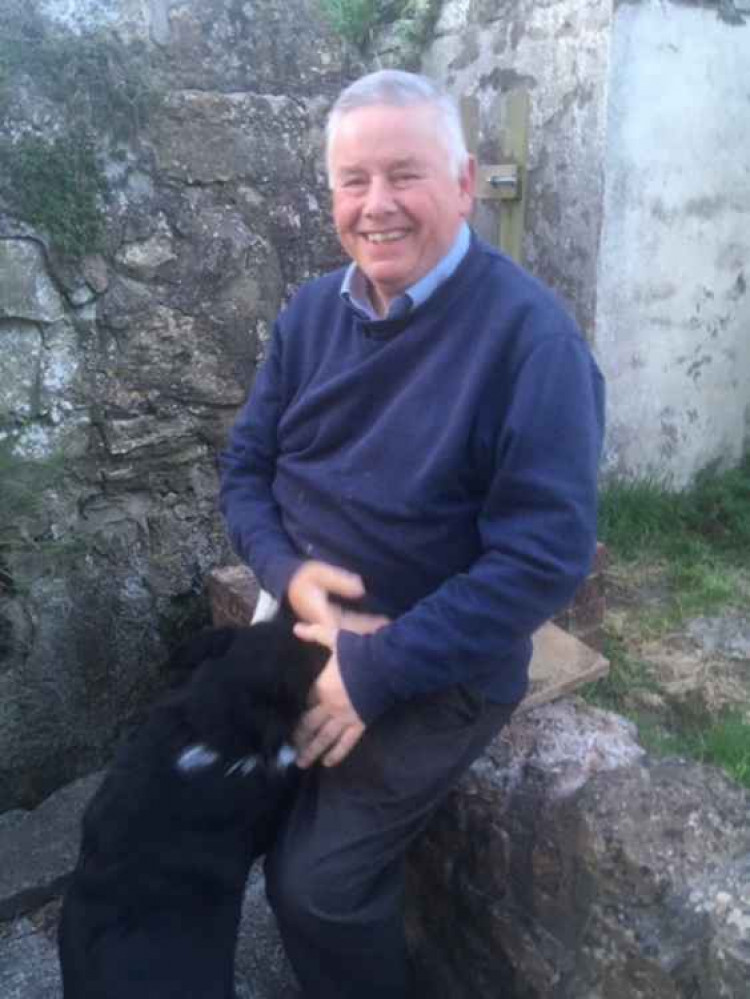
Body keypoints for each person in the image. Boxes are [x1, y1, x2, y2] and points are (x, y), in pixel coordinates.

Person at [219, 69, 605, 998]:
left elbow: (544, 560)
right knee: (203, 811)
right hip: (299, 619)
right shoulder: (312, 314)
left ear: (465, 182)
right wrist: (290, 574)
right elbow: (245, 470)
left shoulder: (533, 344)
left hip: (441, 653)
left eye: (406, 174)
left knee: (314, 887)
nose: (376, 205)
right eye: (354, 181)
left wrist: (375, 668)